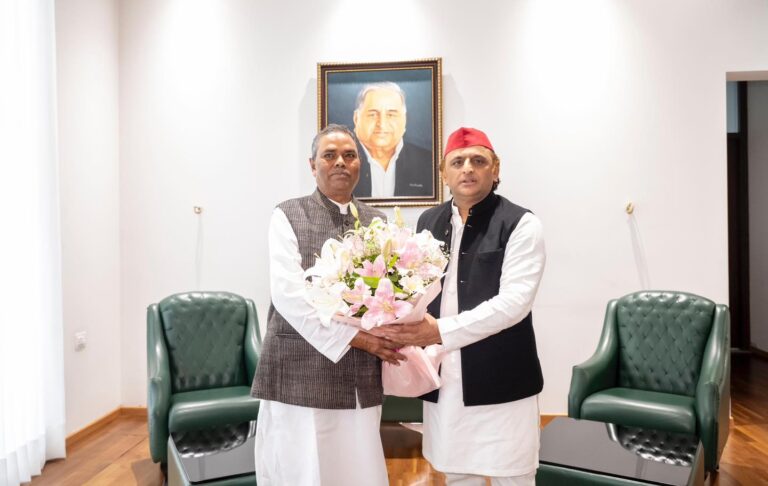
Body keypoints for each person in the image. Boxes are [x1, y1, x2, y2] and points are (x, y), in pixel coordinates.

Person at [373, 127, 546, 485]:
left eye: (478, 161)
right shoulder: (428, 222)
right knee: (456, 475)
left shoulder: (521, 224)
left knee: (513, 475)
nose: (467, 168)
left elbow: (514, 303)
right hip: (445, 378)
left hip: (503, 378)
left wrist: (438, 331)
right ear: (443, 173)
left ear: (495, 169)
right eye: (458, 162)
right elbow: (414, 288)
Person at [250, 124, 406, 486]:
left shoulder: (377, 222)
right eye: (330, 155)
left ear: (359, 165)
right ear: (312, 165)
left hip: (359, 375)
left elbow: (389, 293)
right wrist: (359, 339)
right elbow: (288, 295)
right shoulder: (288, 214)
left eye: (349, 155)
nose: (340, 162)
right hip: (298, 371)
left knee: (357, 468)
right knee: (303, 469)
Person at [351, 82, 433, 198]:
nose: (382, 124)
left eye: (391, 115)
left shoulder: (429, 163)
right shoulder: (339, 164)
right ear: (356, 119)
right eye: (373, 114)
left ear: (404, 119)